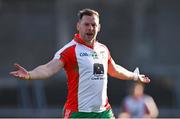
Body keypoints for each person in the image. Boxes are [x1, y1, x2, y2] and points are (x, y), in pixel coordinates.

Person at [10, 8, 150, 118]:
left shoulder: (103, 49)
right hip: (78, 114)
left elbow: (114, 69)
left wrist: (135, 76)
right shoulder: (70, 50)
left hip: (104, 113)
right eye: (86, 24)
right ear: (78, 26)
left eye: (94, 25)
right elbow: (48, 68)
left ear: (99, 27)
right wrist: (30, 74)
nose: (90, 28)